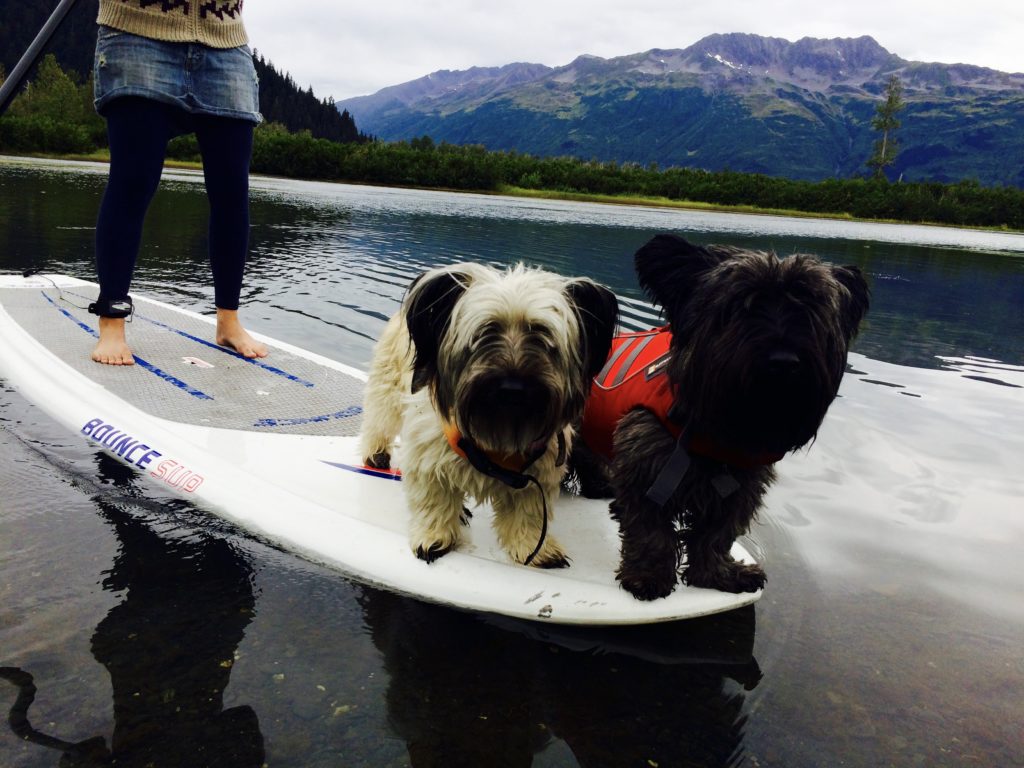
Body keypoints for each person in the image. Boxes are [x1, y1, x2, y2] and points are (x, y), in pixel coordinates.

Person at [90, 0, 267, 365]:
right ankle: (112, 319)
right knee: (133, 180)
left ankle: (228, 321)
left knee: (232, 191)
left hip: (226, 40)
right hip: (139, 29)